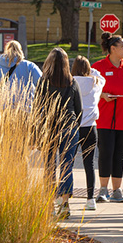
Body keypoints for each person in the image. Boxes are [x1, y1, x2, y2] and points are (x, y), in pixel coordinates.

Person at [35, 47, 83, 219]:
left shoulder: (43, 82)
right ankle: (64, 204)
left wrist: (37, 131)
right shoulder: (72, 82)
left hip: (49, 128)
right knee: (66, 166)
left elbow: (37, 108)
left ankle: (49, 206)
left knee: (49, 167)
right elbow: (79, 109)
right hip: (69, 127)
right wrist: (74, 126)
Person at [93, 32, 123, 203]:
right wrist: (102, 95)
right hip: (105, 118)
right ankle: (103, 190)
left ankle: (117, 191)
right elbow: (89, 91)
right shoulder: (98, 67)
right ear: (113, 49)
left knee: (119, 155)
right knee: (106, 153)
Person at [71, 55, 105, 210]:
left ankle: (64, 195)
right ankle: (90, 198)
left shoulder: (71, 82)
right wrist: (91, 70)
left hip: (73, 125)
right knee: (89, 163)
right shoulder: (95, 83)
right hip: (91, 127)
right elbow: (101, 77)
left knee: (68, 162)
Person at [0, 40, 42, 104]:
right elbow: (42, 84)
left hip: (2, 109)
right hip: (25, 108)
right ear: (20, 51)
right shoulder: (29, 66)